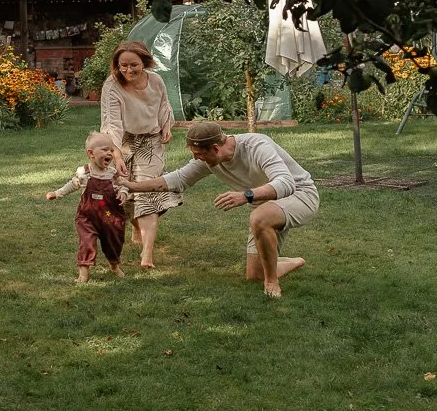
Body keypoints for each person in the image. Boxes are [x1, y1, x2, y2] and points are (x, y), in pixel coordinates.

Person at [125, 120, 320, 298]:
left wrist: (246, 195)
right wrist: (131, 186)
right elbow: (177, 179)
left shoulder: (257, 146)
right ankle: (290, 262)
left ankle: (272, 282)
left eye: (199, 154)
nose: (197, 159)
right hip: (266, 205)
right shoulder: (207, 159)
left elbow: (286, 183)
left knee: (259, 218)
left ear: (216, 148)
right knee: (254, 274)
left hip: (301, 195)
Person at [100, 40, 179, 269]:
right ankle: (135, 226)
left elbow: (164, 104)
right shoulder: (112, 85)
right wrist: (115, 154)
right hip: (122, 141)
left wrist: (166, 125)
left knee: (146, 189)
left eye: (133, 65)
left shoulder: (156, 80)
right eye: (122, 65)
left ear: (144, 61)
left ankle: (147, 254)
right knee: (122, 189)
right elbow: (111, 123)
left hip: (150, 140)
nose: (128, 70)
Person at [46, 131, 128, 283]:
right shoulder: (84, 172)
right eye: (105, 150)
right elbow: (72, 184)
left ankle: (114, 265)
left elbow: (123, 186)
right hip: (87, 217)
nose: (109, 153)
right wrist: (57, 193)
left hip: (109, 216)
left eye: (111, 150)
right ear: (91, 153)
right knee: (86, 241)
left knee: (113, 241)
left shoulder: (113, 174)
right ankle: (83, 273)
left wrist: (123, 193)